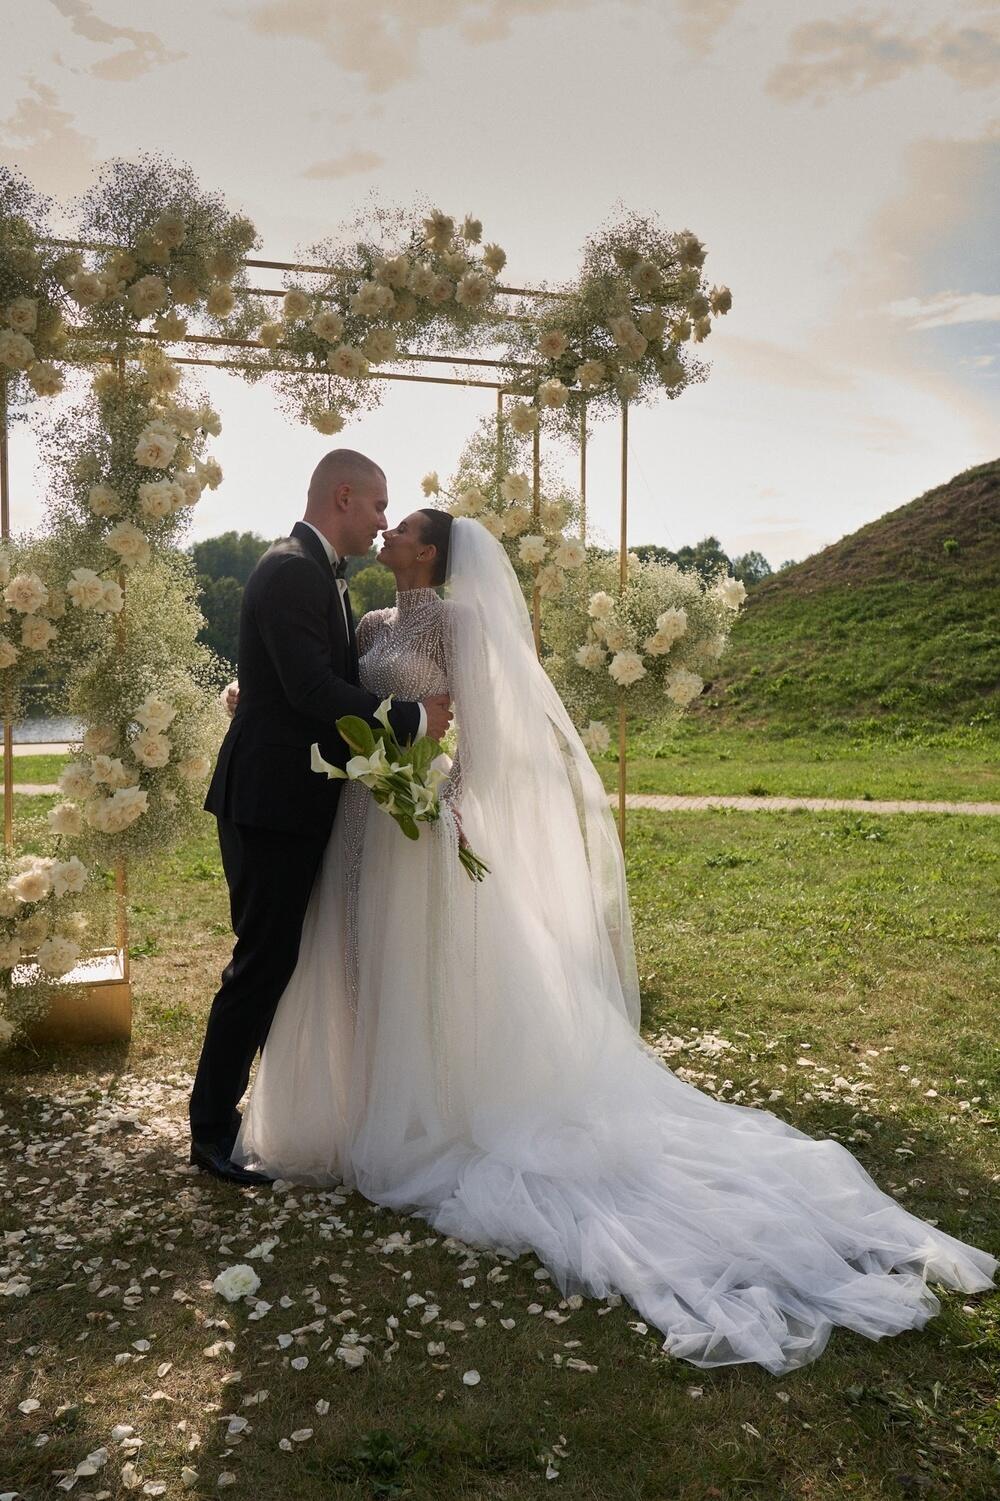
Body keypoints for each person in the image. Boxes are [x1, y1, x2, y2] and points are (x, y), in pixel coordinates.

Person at [232, 510, 996, 1374]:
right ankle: (364, 1102)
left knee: (422, 967)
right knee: (357, 959)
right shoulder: (370, 624)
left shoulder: (458, 623)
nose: (388, 530)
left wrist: (448, 798)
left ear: (432, 551)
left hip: (422, 818)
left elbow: (484, 729)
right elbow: (332, 695)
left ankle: (422, 1108)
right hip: (359, 818)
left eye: (402, 526)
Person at [188, 451, 452, 1185]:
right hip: (270, 803)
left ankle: (252, 1115)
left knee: (276, 958)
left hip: (292, 800)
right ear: (344, 496)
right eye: (378, 505)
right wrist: (411, 718)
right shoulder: (292, 570)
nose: (381, 522)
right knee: (261, 962)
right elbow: (310, 688)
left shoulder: (314, 573)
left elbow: (296, 680)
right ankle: (211, 1131)